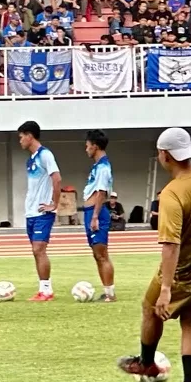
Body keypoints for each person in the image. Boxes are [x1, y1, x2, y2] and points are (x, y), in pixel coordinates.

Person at [114, 127, 191, 382]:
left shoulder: (171, 193)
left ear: (165, 155)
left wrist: (166, 287)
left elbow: (170, 244)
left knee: (149, 307)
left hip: (184, 270)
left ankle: (146, 363)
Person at [17, 120, 61, 301]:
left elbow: (57, 179)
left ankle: (47, 291)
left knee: (39, 249)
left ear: (29, 136)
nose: (20, 141)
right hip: (31, 212)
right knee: (36, 251)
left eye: (21, 137)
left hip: (43, 212)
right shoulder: (32, 159)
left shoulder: (45, 155)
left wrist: (54, 204)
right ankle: (43, 289)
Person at [81, 129, 117, 302]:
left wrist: (95, 216)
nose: (86, 149)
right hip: (90, 212)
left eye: (87, 146)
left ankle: (110, 294)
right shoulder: (98, 165)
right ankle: (107, 291)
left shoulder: (103, 167)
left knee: (102, 254)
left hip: (96, 213)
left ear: (95, 146)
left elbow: (101, 192)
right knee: (97, 254)